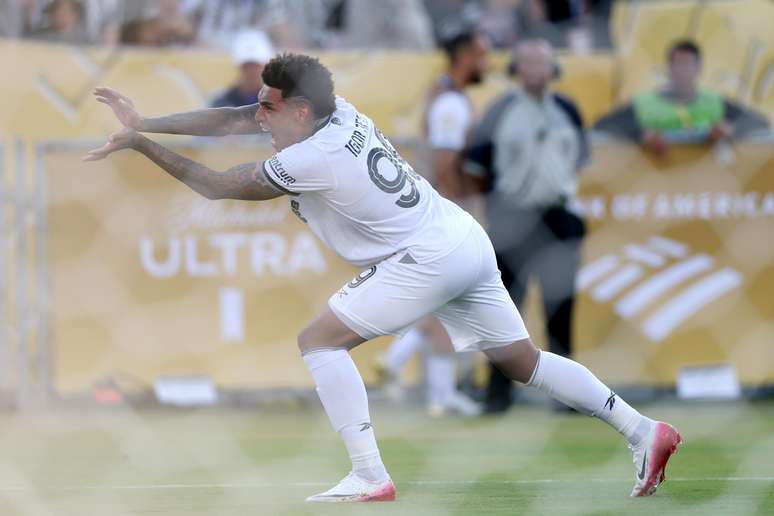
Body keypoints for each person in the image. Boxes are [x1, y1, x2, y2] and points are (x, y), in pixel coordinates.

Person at [85, 53, 681, 502]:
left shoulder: (310, 157)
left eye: (269, 107)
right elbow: (240, 115)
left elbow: (217, 185)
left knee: (317, 342)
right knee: (523, 362)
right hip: (460, 237)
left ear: (298, 112)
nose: (258, 114)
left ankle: (369, 473)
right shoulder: (333, 112)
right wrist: (151, 119)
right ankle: (642, 429)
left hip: (425, 256)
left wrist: (140, 143)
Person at [465, 39, 588, 415]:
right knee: (503, 310)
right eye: (529, 62)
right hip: (512, 216)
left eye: (544, 61)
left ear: (554, 68)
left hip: (557, 215)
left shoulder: (567, 109)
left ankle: (569, 398)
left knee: (561, 309)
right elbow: (476, 167)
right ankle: (497, 396)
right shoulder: (499, 110)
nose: (537, 69)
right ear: (516, 68)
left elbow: (579, 158)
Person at [378, 27, 490, 416]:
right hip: (442, 218)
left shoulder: (443, 94)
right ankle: (420, 380)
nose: (487, 63)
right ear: (463, 56)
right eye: (481, 54)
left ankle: (420, 380)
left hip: (428, 216)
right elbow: (444, 163)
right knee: (447, 300)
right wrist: (463, 214)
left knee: (442, 301)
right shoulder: (451, 105)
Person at [594, 39, 769, 155]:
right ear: (668, 68)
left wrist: (731, 131)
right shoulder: (644, 104)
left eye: (688, 64)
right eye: (678, 64)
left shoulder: (715, 103)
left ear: (698, 69)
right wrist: (640, 134)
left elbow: (760, 124)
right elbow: (602, 126)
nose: (682, 70)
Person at [211, 30, 274, 108]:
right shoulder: (221, 102)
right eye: (247, 66)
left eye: (255, 66)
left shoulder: (279, 103)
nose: (251, 71)